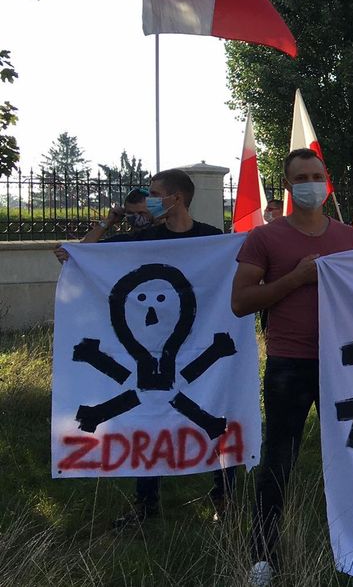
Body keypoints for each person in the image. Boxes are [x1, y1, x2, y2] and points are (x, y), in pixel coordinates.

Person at [61, 171, 232, 528]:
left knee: (218, 414)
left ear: (177, 199)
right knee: (149, 422)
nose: (148, 199)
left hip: (196, 344)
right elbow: (78, 256)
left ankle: (224, 498)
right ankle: (145, 503)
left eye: (155, 193)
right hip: (149, 350)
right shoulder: (145, 238)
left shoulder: (212, 240)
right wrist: (109, 221)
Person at [230, 148, 353, 582]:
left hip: (342, 365)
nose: (310, 183)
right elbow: (240, 302)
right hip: (290, 363)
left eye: (316, 175)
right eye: (301, 177)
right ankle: (263, 556)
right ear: (288, 187)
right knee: (279, 461)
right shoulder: (265, 238)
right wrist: (294, 279)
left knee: (352, 459)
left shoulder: (349, 238)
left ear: (327, 181)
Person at [52, 188, 151, 263]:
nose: (136, 217)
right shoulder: (122, 242)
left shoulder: (164, 236)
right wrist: (108, 222)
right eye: (131, 213)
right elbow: (85, 248)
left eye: (142, 213)